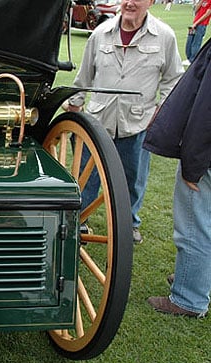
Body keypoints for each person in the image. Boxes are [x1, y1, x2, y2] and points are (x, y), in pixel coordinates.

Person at [64, 0, 183, 244]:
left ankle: (128, 224)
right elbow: (84, 75)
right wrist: (75, 106)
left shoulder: (165, 37)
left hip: (137, 124)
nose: (130, 2)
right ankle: (81, 220)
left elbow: (173, 80)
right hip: (97, 123)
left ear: (150, 2)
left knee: (133, 179)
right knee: (87, 177)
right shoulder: (100, 34)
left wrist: (160, 111)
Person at [144, 39, 211, 318]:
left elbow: (205, 112)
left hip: (206, 157)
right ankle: (192, 279)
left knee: (194, 227)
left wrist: (192, 165)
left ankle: (188, 299)